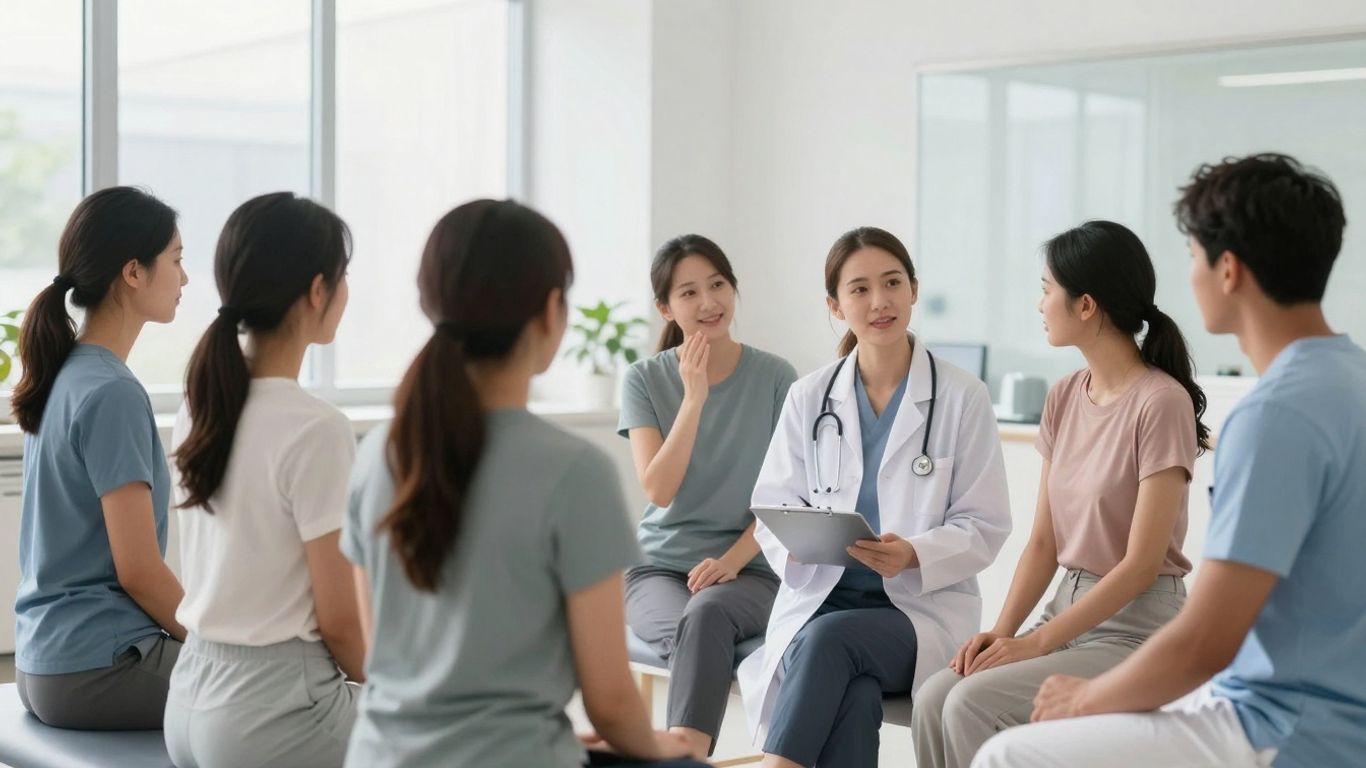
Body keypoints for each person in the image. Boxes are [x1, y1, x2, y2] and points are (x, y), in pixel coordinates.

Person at [973, 154, 1366, 768]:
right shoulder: (1351, 382)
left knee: (1009, 755)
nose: (1189, 278)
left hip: (1284, 726)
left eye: (1192, 258)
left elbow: (1206, 640)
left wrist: (1087, 698)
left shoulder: (1275, 418)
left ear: (1228, 269)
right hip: (1332, 708)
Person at [341, 199, 708, 767]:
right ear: (550, 311)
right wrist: (662, 743)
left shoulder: (377, 455)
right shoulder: (575, 472)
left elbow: (376, 653)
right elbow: (610, 700)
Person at [912, 220, 1208, 768]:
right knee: (935, 697)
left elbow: (1143, 564)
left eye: (1048, 289)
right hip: (1065, 613)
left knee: (970, 706)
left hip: (1135, 628)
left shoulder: (1160, 403)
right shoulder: (1065, 395)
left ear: (1087, 305)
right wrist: (1000, 636)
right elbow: (1044, 541)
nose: (1040, 302)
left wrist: (1035, 645)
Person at [739, 226, 1011, 768]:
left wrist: (914, 552)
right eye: (859, 289)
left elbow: (985, 524)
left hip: (916, 614)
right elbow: (772, 506)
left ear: (913, 289)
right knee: (854, 690)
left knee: (832, 643)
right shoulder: (809, 396)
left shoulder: (961, 396)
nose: (879, 301)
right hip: (822, 599)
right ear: (835, 305)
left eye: (892, 283)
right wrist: (799, 542)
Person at [164, 193, 364, 766]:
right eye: (343, 276)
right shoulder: (316, 427)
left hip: (188, 701)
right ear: (318, 290)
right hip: (274, 713)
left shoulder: (197, 404)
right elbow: (342, 624)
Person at [11, 186, 189, 729]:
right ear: (133, 272)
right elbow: (139, 571)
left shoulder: (65, 374)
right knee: (280, 690)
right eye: (177, 261)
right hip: (100, 667)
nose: (184, 279)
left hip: (42, 665)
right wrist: (218, 643)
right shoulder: (112, 391)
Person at [620, 234, 797, 757]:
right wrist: (693, 398)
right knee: (697, 636)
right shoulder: (644, 380)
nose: (708, 303)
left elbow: (789, 495)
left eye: (718, 285)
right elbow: (659, 488)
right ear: (666, 308)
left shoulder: (775, 377)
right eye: (689, 292)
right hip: (657, 568)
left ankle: (685, 752)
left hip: (752, 567)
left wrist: (731, 559)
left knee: (708, 618)